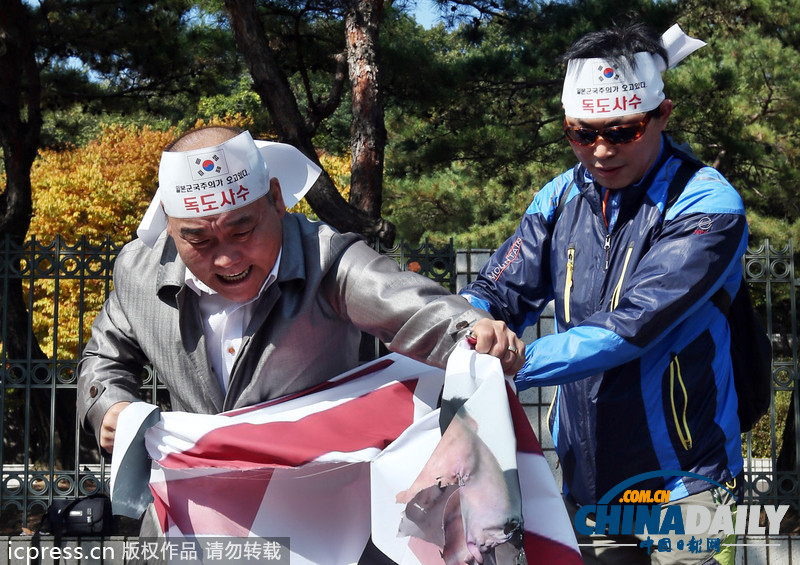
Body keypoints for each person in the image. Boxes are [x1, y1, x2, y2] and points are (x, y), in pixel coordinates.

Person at [76, 126, 524, 554]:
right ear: (171, 229)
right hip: (196, 517)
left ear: (275, 200)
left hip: (316, 520)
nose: (227, 257)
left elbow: (402, 301)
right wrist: (108, 406)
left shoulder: (326, 259)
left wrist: (470, 331)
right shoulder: (138, 270)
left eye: (242, 230)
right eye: (198, 239)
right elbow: (105, 355)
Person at [460, 22, 746, 565]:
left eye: (623, 131)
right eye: (580, 132)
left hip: (688, 478)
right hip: (588, 474)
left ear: (662, 114)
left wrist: (518, 358)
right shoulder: (561, 193)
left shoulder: (709, 204)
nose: (599, 150)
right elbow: (497, 288)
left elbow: (633, 325)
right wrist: (467, 330)